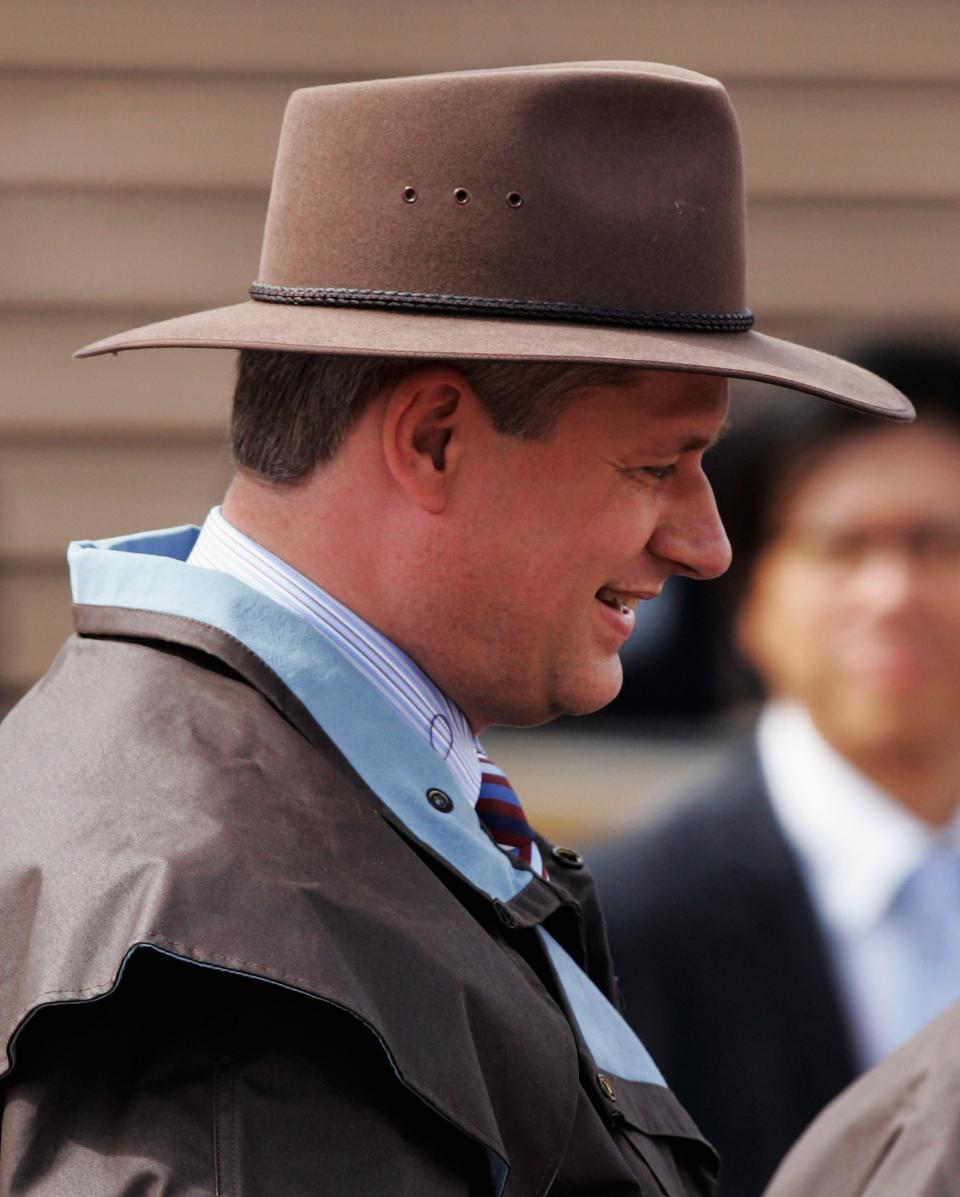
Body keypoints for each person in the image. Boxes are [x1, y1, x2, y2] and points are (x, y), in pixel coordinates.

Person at [0, 63, 909, 1196]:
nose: (706, 543)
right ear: (433, 439)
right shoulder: (243, 928)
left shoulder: (229, 818)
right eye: (656, 465)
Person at [592, 340, 960, 1197]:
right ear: (751, 600)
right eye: (841, 547)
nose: (891, 593)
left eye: (936, 542)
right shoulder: (623, 925)